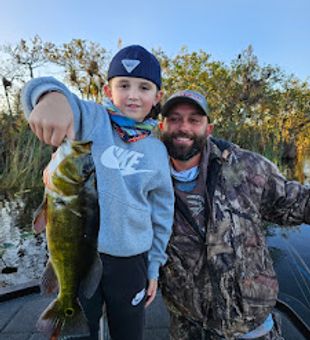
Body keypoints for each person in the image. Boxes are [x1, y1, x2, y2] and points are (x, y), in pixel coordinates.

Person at [21, 45, 174, 340]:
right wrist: (50, 97)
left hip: (132, 261)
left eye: (144, 87)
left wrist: (154, 266)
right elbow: (44, 92)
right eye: (123, 85)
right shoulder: (91, 121)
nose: (132, 94)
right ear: (107, 89)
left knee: (129, 331)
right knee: (81, 330)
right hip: (83, 255)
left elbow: (162, 212)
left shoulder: (157, 151)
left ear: (157, 98)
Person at [159, 90, 310, 340]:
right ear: (162, 126)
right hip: (188, 329)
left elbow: (295, 202)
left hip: (253, 329)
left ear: (209, 129)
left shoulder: (245, 166)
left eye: (194, 120)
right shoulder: (144, 177)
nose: (183, 127)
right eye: (174, 119)